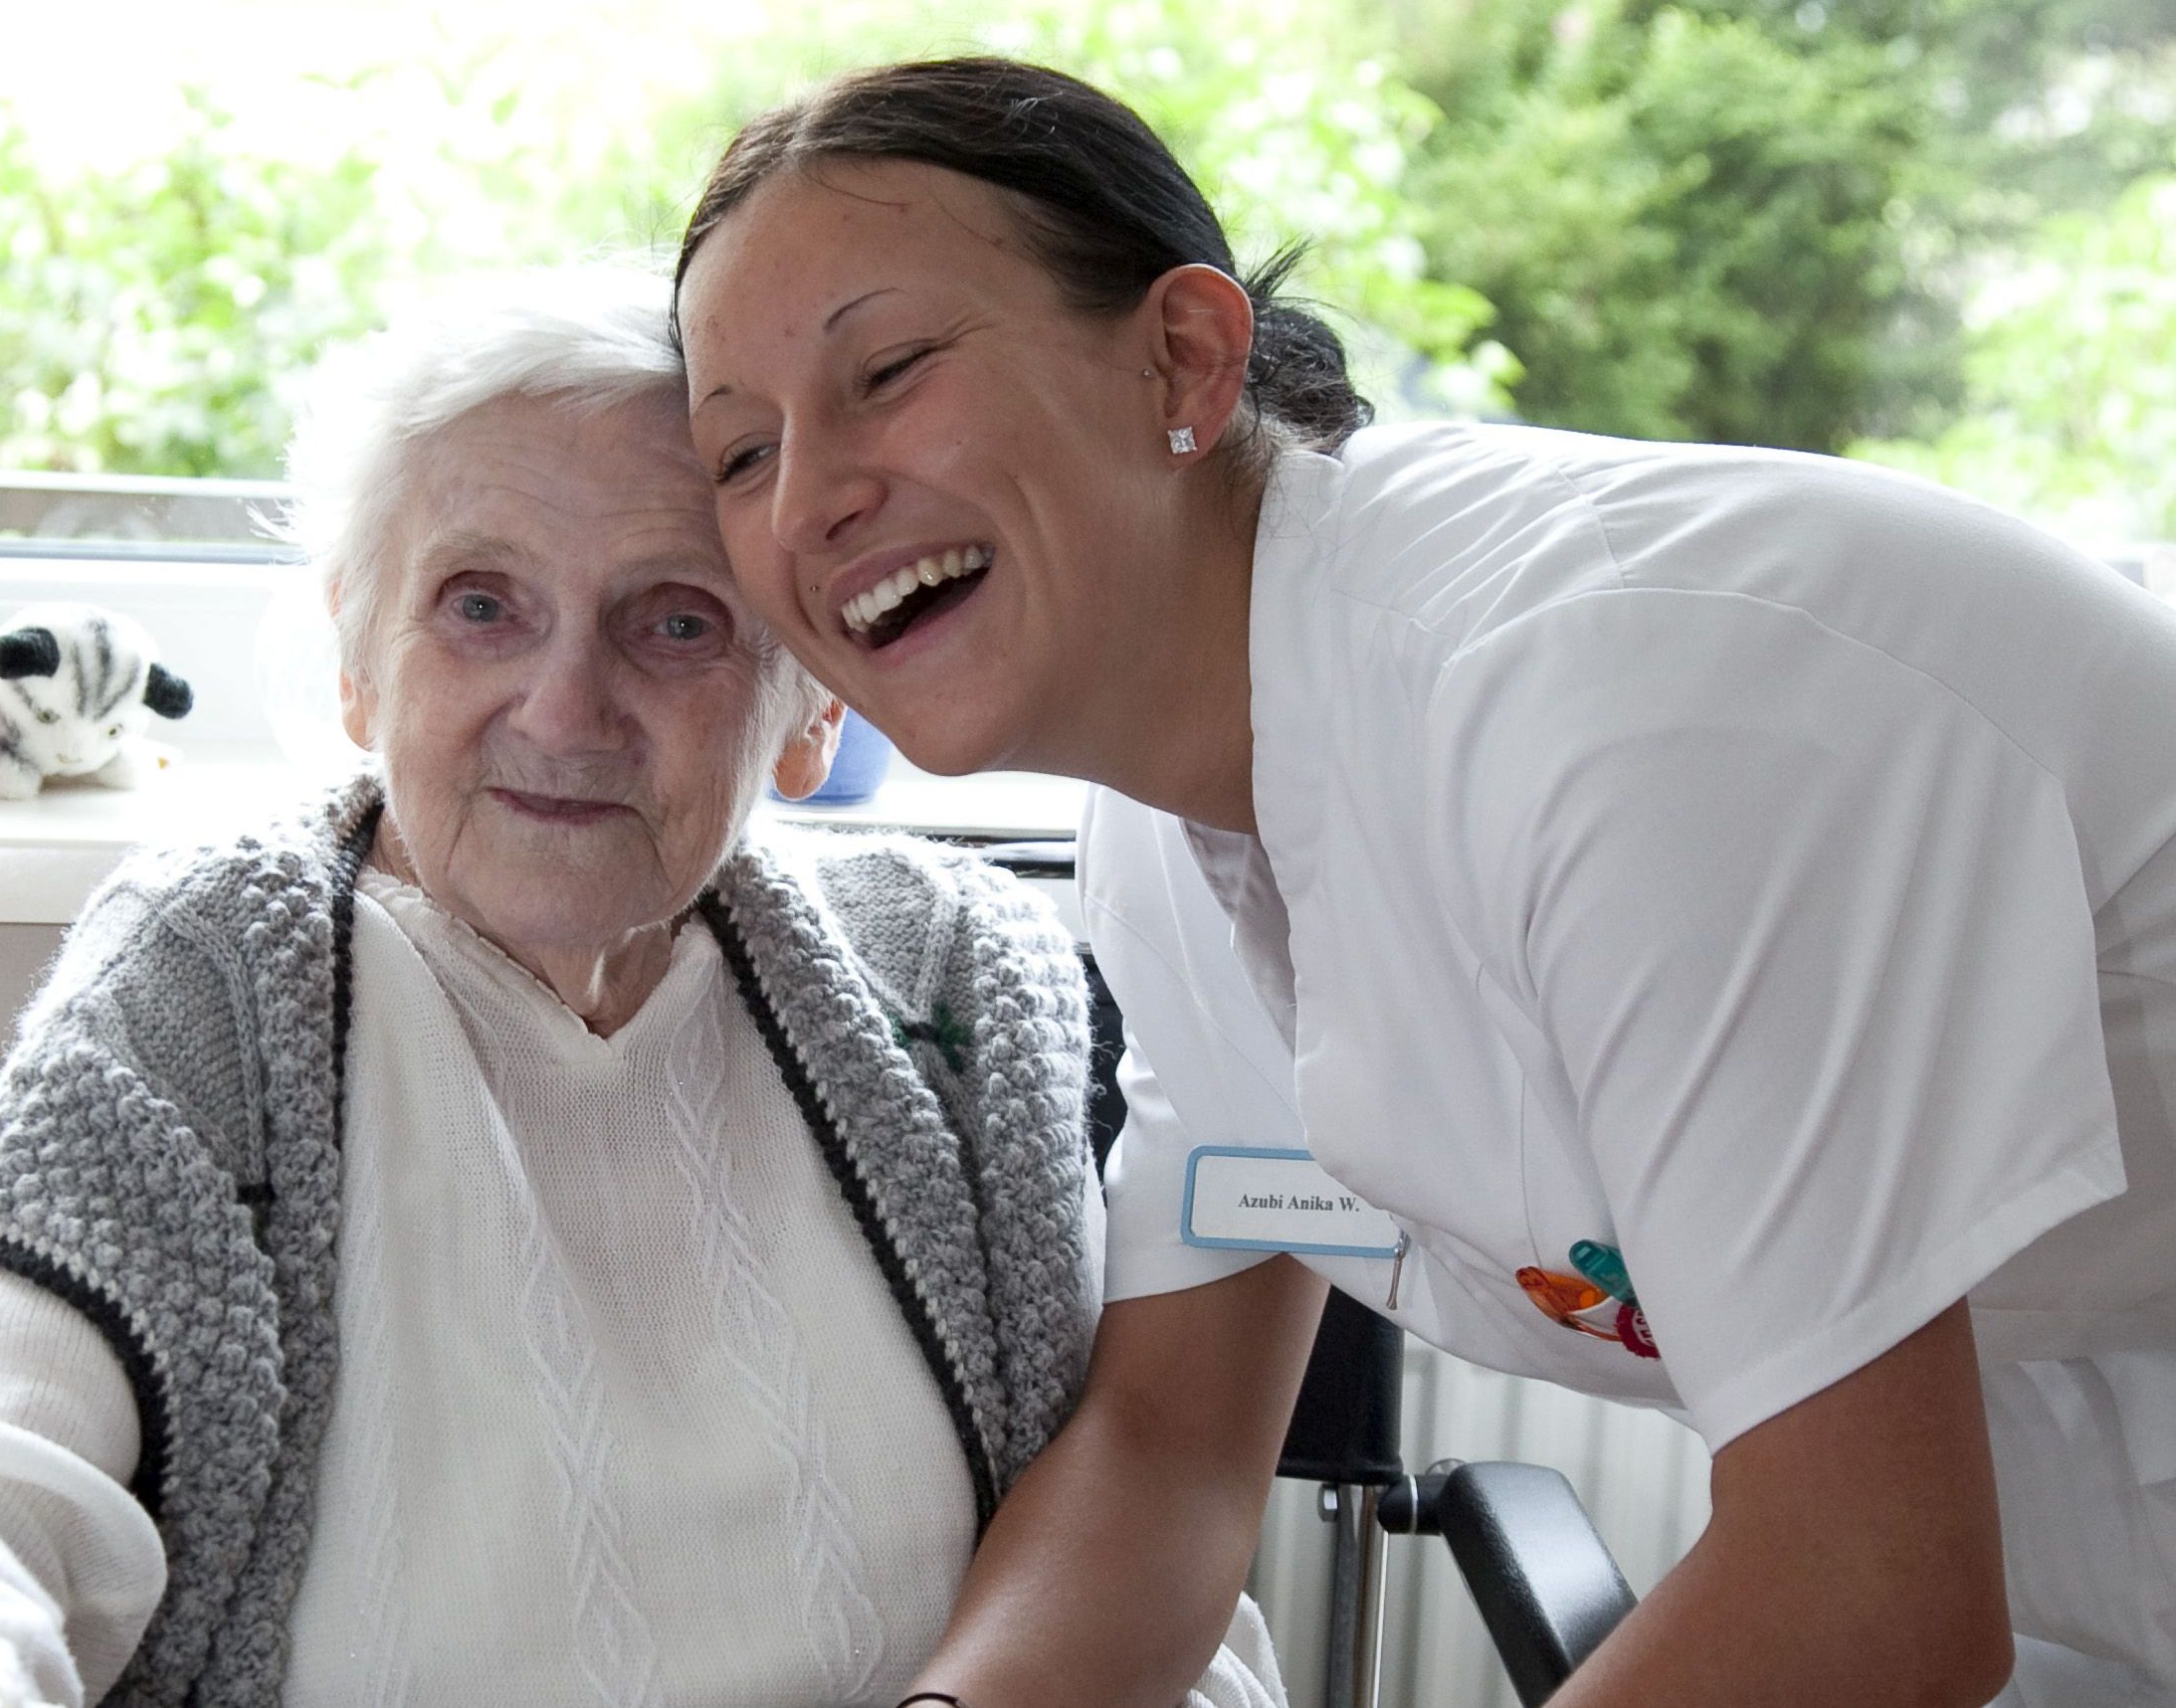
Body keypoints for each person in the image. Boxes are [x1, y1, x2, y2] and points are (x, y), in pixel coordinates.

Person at [672, 58, 2176, 1708]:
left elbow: (1869, 1590)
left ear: (1182, 354)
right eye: (739, 457)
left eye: (886, 370)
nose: (810, 498)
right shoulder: (1171, 845)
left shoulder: (1617, 708)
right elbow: (1172, 1451)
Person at [0, 270, 1292, 1708]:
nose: (566, 708)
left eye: (675, 622)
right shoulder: (211, 982)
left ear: (810, 707)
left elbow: (1159, 1586)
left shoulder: (948, 978)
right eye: (480, 604)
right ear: (359, 662)